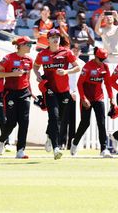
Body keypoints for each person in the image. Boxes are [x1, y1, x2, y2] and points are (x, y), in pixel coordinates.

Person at [33, 29, 80, 159]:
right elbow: (35, 66)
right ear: (48, 40)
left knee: (59, 119)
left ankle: (49, 135)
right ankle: (56, 147)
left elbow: (77, 67)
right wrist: (38, 76)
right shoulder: (43, 54)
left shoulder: (66, 52)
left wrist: (66, 72)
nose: (55, 39)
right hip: (50, 89)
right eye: (52, 37)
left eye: (57, 37)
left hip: (64, 91)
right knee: (53, 117)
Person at [0, 36, 35, 159]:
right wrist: (12, 74)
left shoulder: (29, 60)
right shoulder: (8, 58)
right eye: (28, 44)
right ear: (21, 45)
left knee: (24, 121)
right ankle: (1, 141)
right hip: (10, 92)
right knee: (12, 122)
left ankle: (20, 150)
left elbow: (28, 78)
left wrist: (30, 92)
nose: (30, 47)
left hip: (24, 92)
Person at [71, 47, 115, 157]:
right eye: (101, 59)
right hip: (87, 98)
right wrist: (83, 98)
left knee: (102, 123)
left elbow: (108, 84)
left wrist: (111, 98)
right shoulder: (87, 67)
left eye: (104, 59)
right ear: (95, 56)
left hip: (98, 98)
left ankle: (103, 149)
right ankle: (74, 143)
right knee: (85, 123)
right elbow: (79, 84)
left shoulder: (105, 67)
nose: (102, 61)